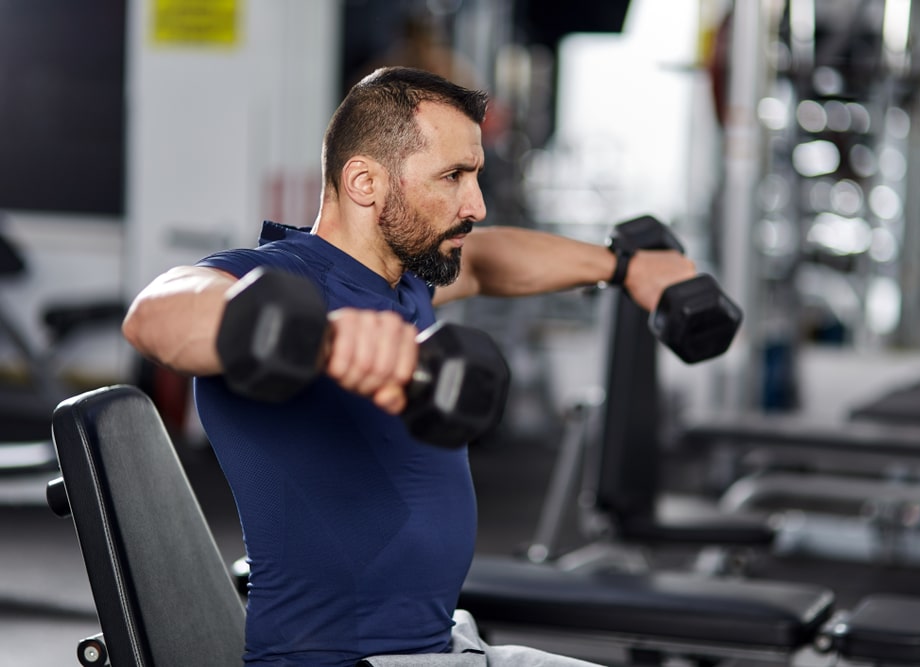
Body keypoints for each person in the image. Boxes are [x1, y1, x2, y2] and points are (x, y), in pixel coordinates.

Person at [122, 66, 696, 666]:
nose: (474, 203)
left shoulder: (405, 283)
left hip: (444, 644)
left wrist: (623, 267)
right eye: (453, 177)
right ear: (366, 182)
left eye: (474, 176)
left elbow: (488, 261)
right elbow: (154, 317)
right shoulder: (283, 279)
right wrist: (321, 337)